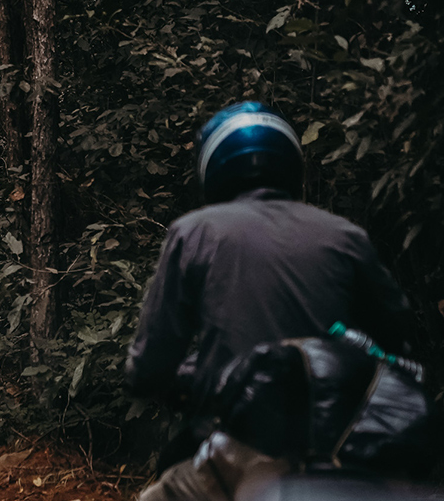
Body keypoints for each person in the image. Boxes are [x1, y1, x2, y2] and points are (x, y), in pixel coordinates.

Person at [125, 101, 412, 501]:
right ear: (292, 164)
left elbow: (150, 365)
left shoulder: (195, 231)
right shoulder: (345, 235)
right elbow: (397, 340)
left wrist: (171, 381)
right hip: (346, 445)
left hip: (247, 446)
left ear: (215, 168)